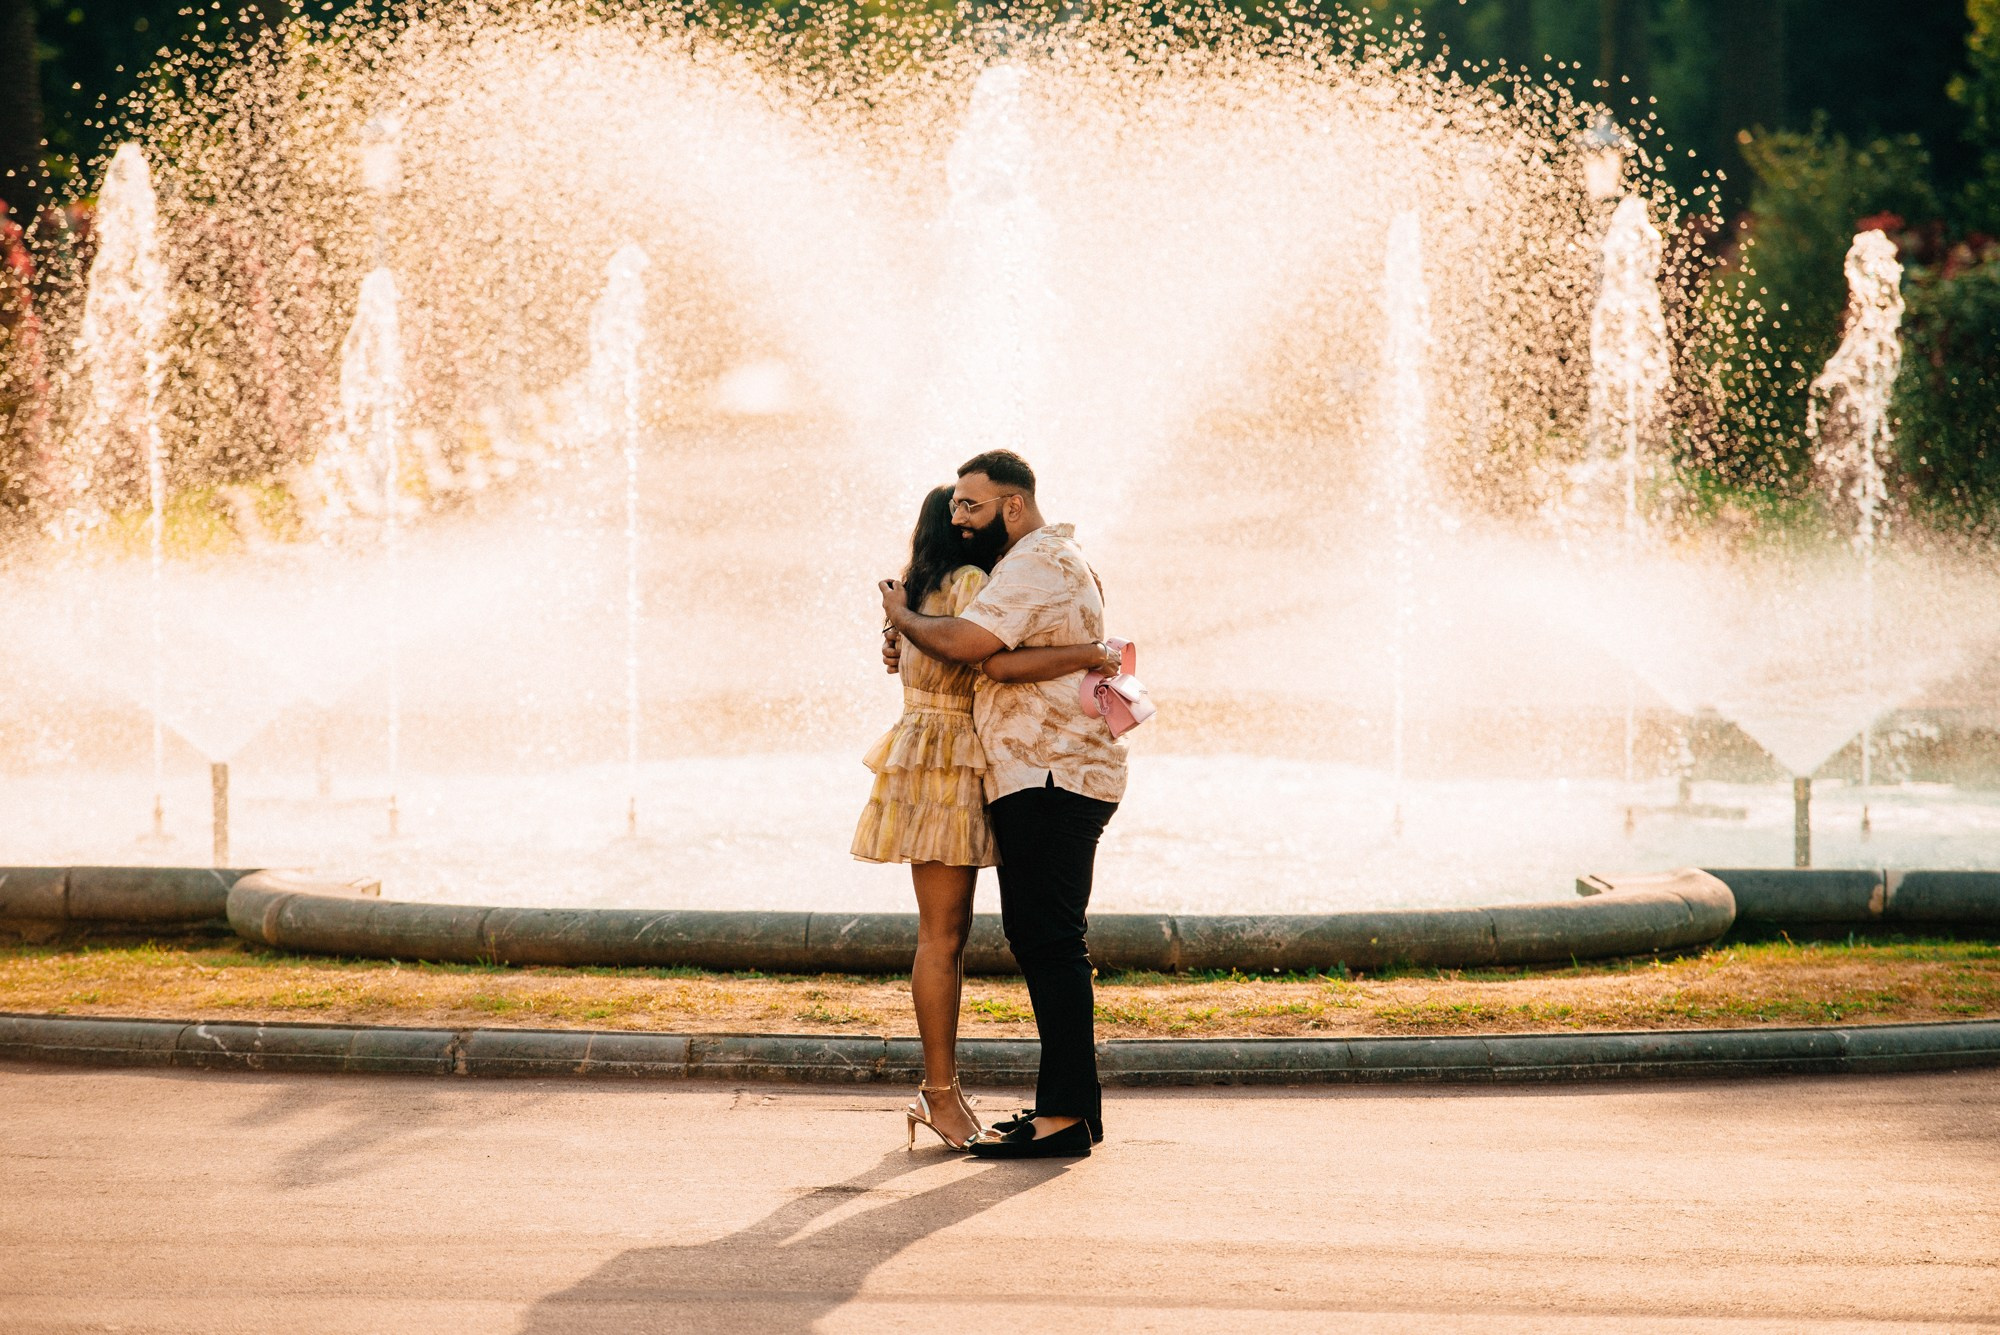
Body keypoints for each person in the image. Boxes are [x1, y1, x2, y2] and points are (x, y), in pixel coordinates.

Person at [879, 450, 1128, 1160]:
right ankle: (1061, 1108)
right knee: (1040, 940)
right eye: (954, 510)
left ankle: (1064, 1115)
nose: (963, 519)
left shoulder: (1026, 567)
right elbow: (990, 660)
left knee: (1047, 942)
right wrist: (1090, 650)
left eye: (973, 506)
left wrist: (901, 614)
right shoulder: (1028, 565)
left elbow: (977, 649)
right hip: (1029, 771)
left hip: (1050, 773)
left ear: (1010, 505)